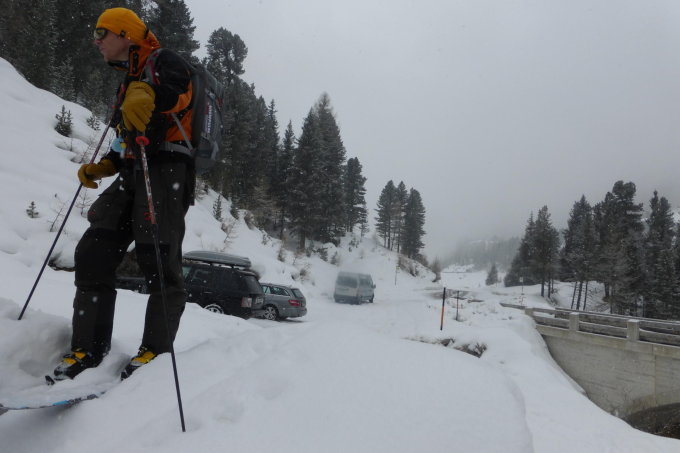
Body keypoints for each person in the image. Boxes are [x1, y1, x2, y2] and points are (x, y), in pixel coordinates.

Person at [52, 7, 195, 381]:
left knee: (159, 260)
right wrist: (105, 165)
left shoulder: (165, 61)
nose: (96, 41)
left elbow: (180, 95)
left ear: (124, 34)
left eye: (101, 33)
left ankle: (155, 353)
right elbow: (123, 139)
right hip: (133, 172)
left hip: (167, 171)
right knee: (93, 252)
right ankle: (88, 348)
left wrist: (150, 92)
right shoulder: (128, 82)